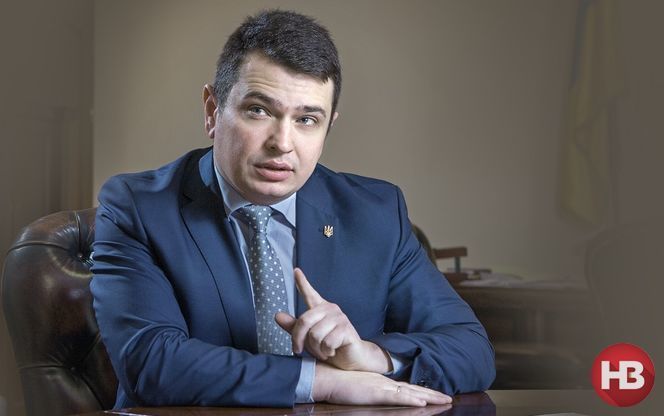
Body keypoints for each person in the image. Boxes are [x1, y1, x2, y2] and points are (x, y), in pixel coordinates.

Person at [90, 9, 495, 409]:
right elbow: (150, 362)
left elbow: (471, 349)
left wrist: (371, 357)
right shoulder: (139, 208)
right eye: (259, 110)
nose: (282, 143)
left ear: (328, 126)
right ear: (213, 111)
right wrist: (323, 381)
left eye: (307, 120)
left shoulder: (375, 213)